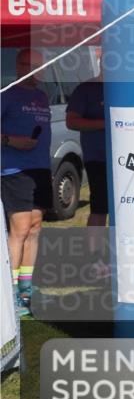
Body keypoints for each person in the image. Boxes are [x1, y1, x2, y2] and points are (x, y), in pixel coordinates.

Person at [1, 49, 53, 316]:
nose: (36, 71)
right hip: (15, 169)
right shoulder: (7, 94)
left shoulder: (42, 96)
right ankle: (9, 294)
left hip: (40, 168)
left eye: (40, 67)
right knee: (19, 229)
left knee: (35, 227)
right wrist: (11, 141)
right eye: (31, 66)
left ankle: (25, 289)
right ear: (19, 66)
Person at [66, 55, 107, 227]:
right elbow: (71, 122)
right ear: (101, 63)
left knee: (130, 205)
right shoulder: (86, 89)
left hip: (130, 157)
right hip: (98, 158)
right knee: (100, 208)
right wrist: (106, 123)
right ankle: (94, 246)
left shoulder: (130, 87)